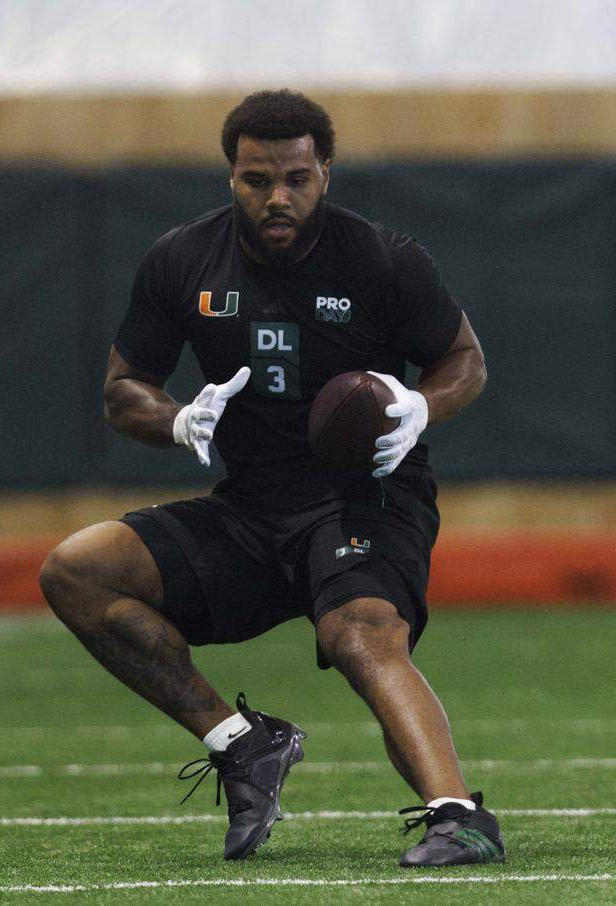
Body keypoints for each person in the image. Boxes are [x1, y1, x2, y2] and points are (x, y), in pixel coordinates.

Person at [40, 89, 503, 868]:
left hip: (366, 495)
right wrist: (178, 418)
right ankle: (242, 743)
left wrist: (420, 406)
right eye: (258, 179)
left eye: (296, 177)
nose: (277, 197)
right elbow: (124, 390)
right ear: (231, 177)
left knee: (359, 633)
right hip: (250, 508)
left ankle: (459, 816)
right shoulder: (182, 259)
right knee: (75, 571)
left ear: (325, 170)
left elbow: (466, 361)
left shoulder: (382, 258)